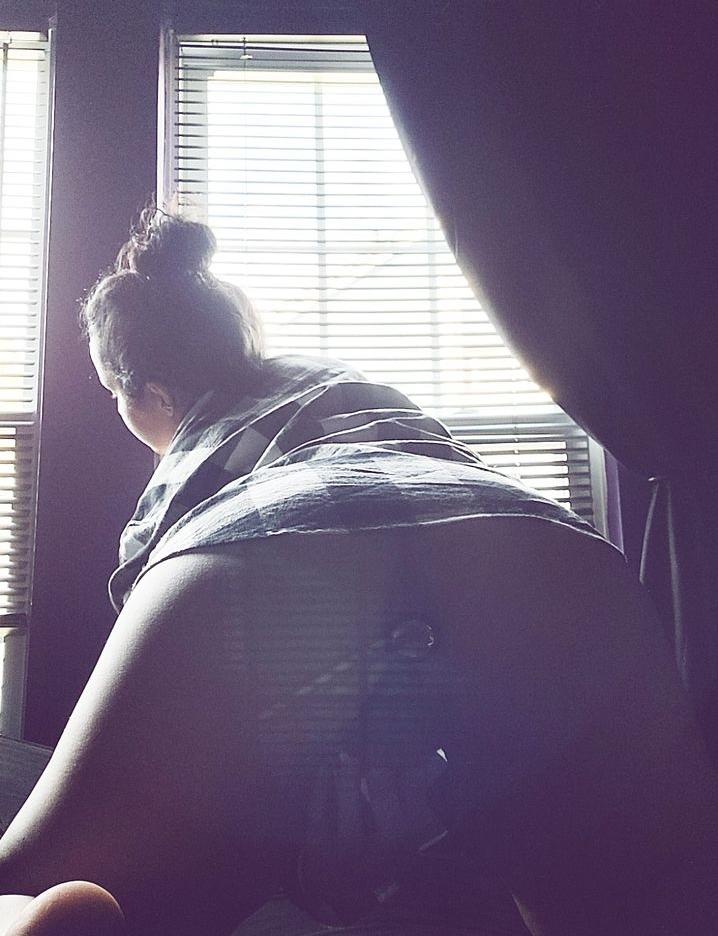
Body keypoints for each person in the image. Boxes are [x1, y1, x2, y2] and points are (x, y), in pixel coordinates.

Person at [0, 209, 717, 936]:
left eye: (115, 395)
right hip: (543, 552)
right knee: (638, 902)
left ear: (152, 393)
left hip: (273, 537)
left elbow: (175, 649)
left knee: (33, 880)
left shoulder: (185, 463)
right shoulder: (334, 377)